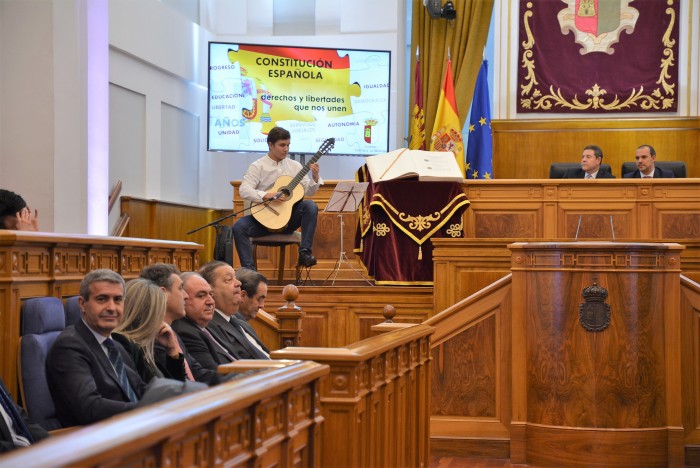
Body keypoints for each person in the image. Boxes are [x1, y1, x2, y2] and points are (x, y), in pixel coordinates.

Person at [47, 269, 147, 427]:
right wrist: (146, 410)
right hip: (95, 440)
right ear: (82, 304)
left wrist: (175, 396)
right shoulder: (69, 346)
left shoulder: (116, 346)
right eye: (102, 299)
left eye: (118, 300)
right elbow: (89, 407)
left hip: (131, 429)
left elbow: (140, 388)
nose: (112, 307)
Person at [233, 126, 322, 269]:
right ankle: (250, 273)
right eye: (282, 145)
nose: (286, 149)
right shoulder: (258, 166)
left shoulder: (295, 166)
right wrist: (266, 195)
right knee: (238, 227)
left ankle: (305, 253)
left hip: (287, 221)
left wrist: (316, 177)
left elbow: (309, 191)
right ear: (270, 144)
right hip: (263, 222)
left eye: (288, 145)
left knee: (310, 206)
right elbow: (244, 190)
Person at [140, 263, 225, 385]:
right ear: (163, 293)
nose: (185, 296)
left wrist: (241, 378)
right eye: (180, 289)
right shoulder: (155, 337)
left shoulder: (172, 331)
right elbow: (177, 384)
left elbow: (199, 373)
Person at [112, 278, 186, 383]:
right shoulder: (124, 343)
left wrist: (172, 351)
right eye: (160, 311)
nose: (162, 317)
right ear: (148, 315)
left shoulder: (144, 344)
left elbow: (176, 387)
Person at [199, 261, 267, 359]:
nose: (239, 283)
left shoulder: (240, 320)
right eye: (229, 279)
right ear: (209, 290)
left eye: (235, 278)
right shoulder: (209, 326)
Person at [171, 272, 239, 371]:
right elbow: (212, 374)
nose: (211, 301)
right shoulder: (186, 332)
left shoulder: (211, 326)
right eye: (201, 296)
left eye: (211, 294)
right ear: (183, 298)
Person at [0, 377, 48, 452]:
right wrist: (25, 452)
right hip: (12, 457)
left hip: (29, 450)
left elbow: (22, 418)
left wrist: (49, 441)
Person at [233, 268, 271, 359]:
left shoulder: (244, 324)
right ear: (242, 296)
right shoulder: (232, 324)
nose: (262, 306)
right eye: (259, 299)